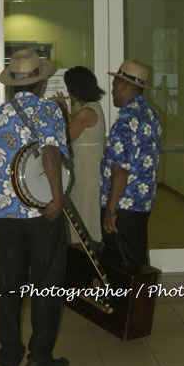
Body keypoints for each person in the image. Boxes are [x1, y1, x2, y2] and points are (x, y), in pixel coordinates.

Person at [0, 49, 70, 366]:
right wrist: (57, 199)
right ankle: (38, 358)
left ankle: (8, 357)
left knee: (8, 288)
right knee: (46, 286)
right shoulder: (50, 111)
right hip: (42, 215)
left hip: (6, 218)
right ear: (40, 81)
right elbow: (50, 154)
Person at [100, 60, 161, 267]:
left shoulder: (127, 118)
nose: (112, 89)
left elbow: (120, 169)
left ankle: (127, 299)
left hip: (122, 206)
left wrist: (110, 210)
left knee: (122, 266)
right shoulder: (150, 113)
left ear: (122, 85)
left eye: (115, 83)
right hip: (141, 204)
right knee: (136, 259)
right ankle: (140, 298)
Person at [55, 66, 106, 244]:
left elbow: (66, 137)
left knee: (85, 216)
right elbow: (78, 128)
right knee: (86, 214)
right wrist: (65, 110)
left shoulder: (86, 112)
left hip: (87, 173)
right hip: (89, 169)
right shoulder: (92, 108)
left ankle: (87, 258)